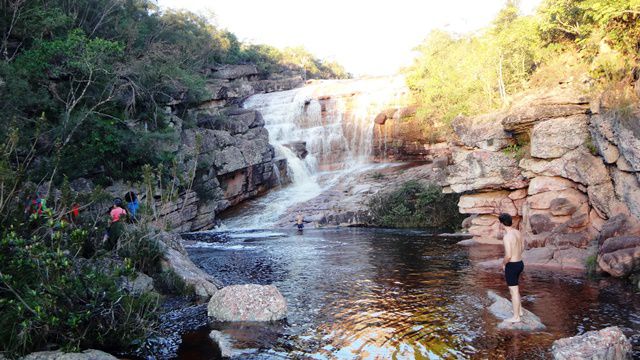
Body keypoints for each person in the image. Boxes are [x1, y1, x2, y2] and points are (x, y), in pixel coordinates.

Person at [499, 213, 525, 323]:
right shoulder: (517, 232)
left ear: (501, 224)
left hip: (512, 265)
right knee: (516, 289)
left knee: (513, 291)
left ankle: (516, 317)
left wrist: (503, 264)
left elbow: (508, 255)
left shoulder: (507, 237)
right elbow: (522, 247)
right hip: (520, 263)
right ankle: (520, 311)